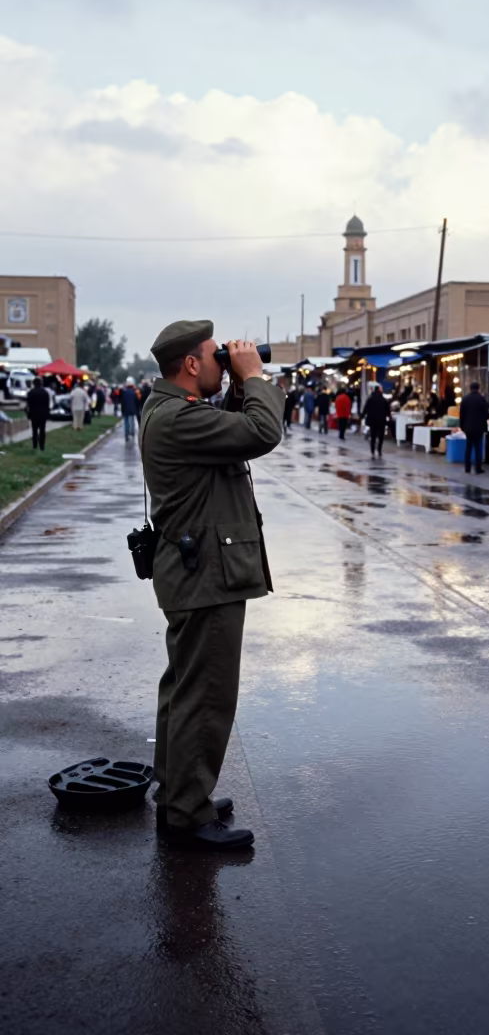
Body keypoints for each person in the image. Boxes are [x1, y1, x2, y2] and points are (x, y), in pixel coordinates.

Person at [141, 319, 284, 851]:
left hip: (192, 572)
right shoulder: (178, 419)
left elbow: (228, 428)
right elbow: (261, 433)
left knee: (184, 686)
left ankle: (178, 789)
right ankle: (185, 811)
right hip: (205, 578)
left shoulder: (172, 411)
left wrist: (241, 383)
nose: (224, 360)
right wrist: (256, 378)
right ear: (192, 365)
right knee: (206, 695)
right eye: (214, 355)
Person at [459, 382, 489, 474]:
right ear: (478, 388)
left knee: (468, 448)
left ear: (470, 388)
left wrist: (462, 427)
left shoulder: (465, 399)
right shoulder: (482, 399)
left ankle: (467, 468)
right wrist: (485, 427)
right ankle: (478, 468)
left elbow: (461, 414)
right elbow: (486, 414)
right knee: (478, 448)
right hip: (479, 428)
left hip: (468, 428)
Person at [363, 386, 391, 457]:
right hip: (381, 420)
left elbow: (365, 409)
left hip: (372, 420)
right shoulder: (384, 400)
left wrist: (362, 416)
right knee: (381, 436)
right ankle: (379, 449)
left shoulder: (370, 399)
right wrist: (389, 417)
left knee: (373, 436)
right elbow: (388, 411)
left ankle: (372, 450)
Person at [26, 377, 51, 451]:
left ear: (33, 384)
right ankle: (42, 446)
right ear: (41, 383)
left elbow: (28, 404)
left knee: (34, 430)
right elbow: (47, 404)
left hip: (34, 413)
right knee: (42, 430)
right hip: (43, 414)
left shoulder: (31, 392)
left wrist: (28, 413)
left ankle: (35, 446)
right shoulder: (45, 392)